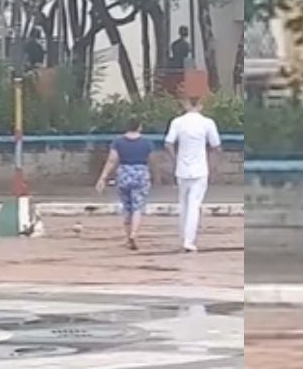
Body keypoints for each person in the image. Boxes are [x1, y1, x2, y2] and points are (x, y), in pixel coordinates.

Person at [164, 96, 221, 253]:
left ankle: (183, 237)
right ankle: (189, 241)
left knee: (183, 204)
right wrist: (213, 167)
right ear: (201, 105)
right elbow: (216, 147)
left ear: (186, 104)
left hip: (182, 170)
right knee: (194, 205)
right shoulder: (207, 123)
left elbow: (168, 144)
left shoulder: (177, 122)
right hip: (200, 169)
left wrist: (175, 161)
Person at [95, 118, 155, 250]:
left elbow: (112, 160)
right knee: (137, 207)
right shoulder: (147, 142)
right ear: (140, 127)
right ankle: (134, 234)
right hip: (141, 173)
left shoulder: (118, 142)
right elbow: (151, 160)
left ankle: (128, 237)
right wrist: (156, 176)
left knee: (127, 207)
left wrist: (103, 178)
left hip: (124, 173)